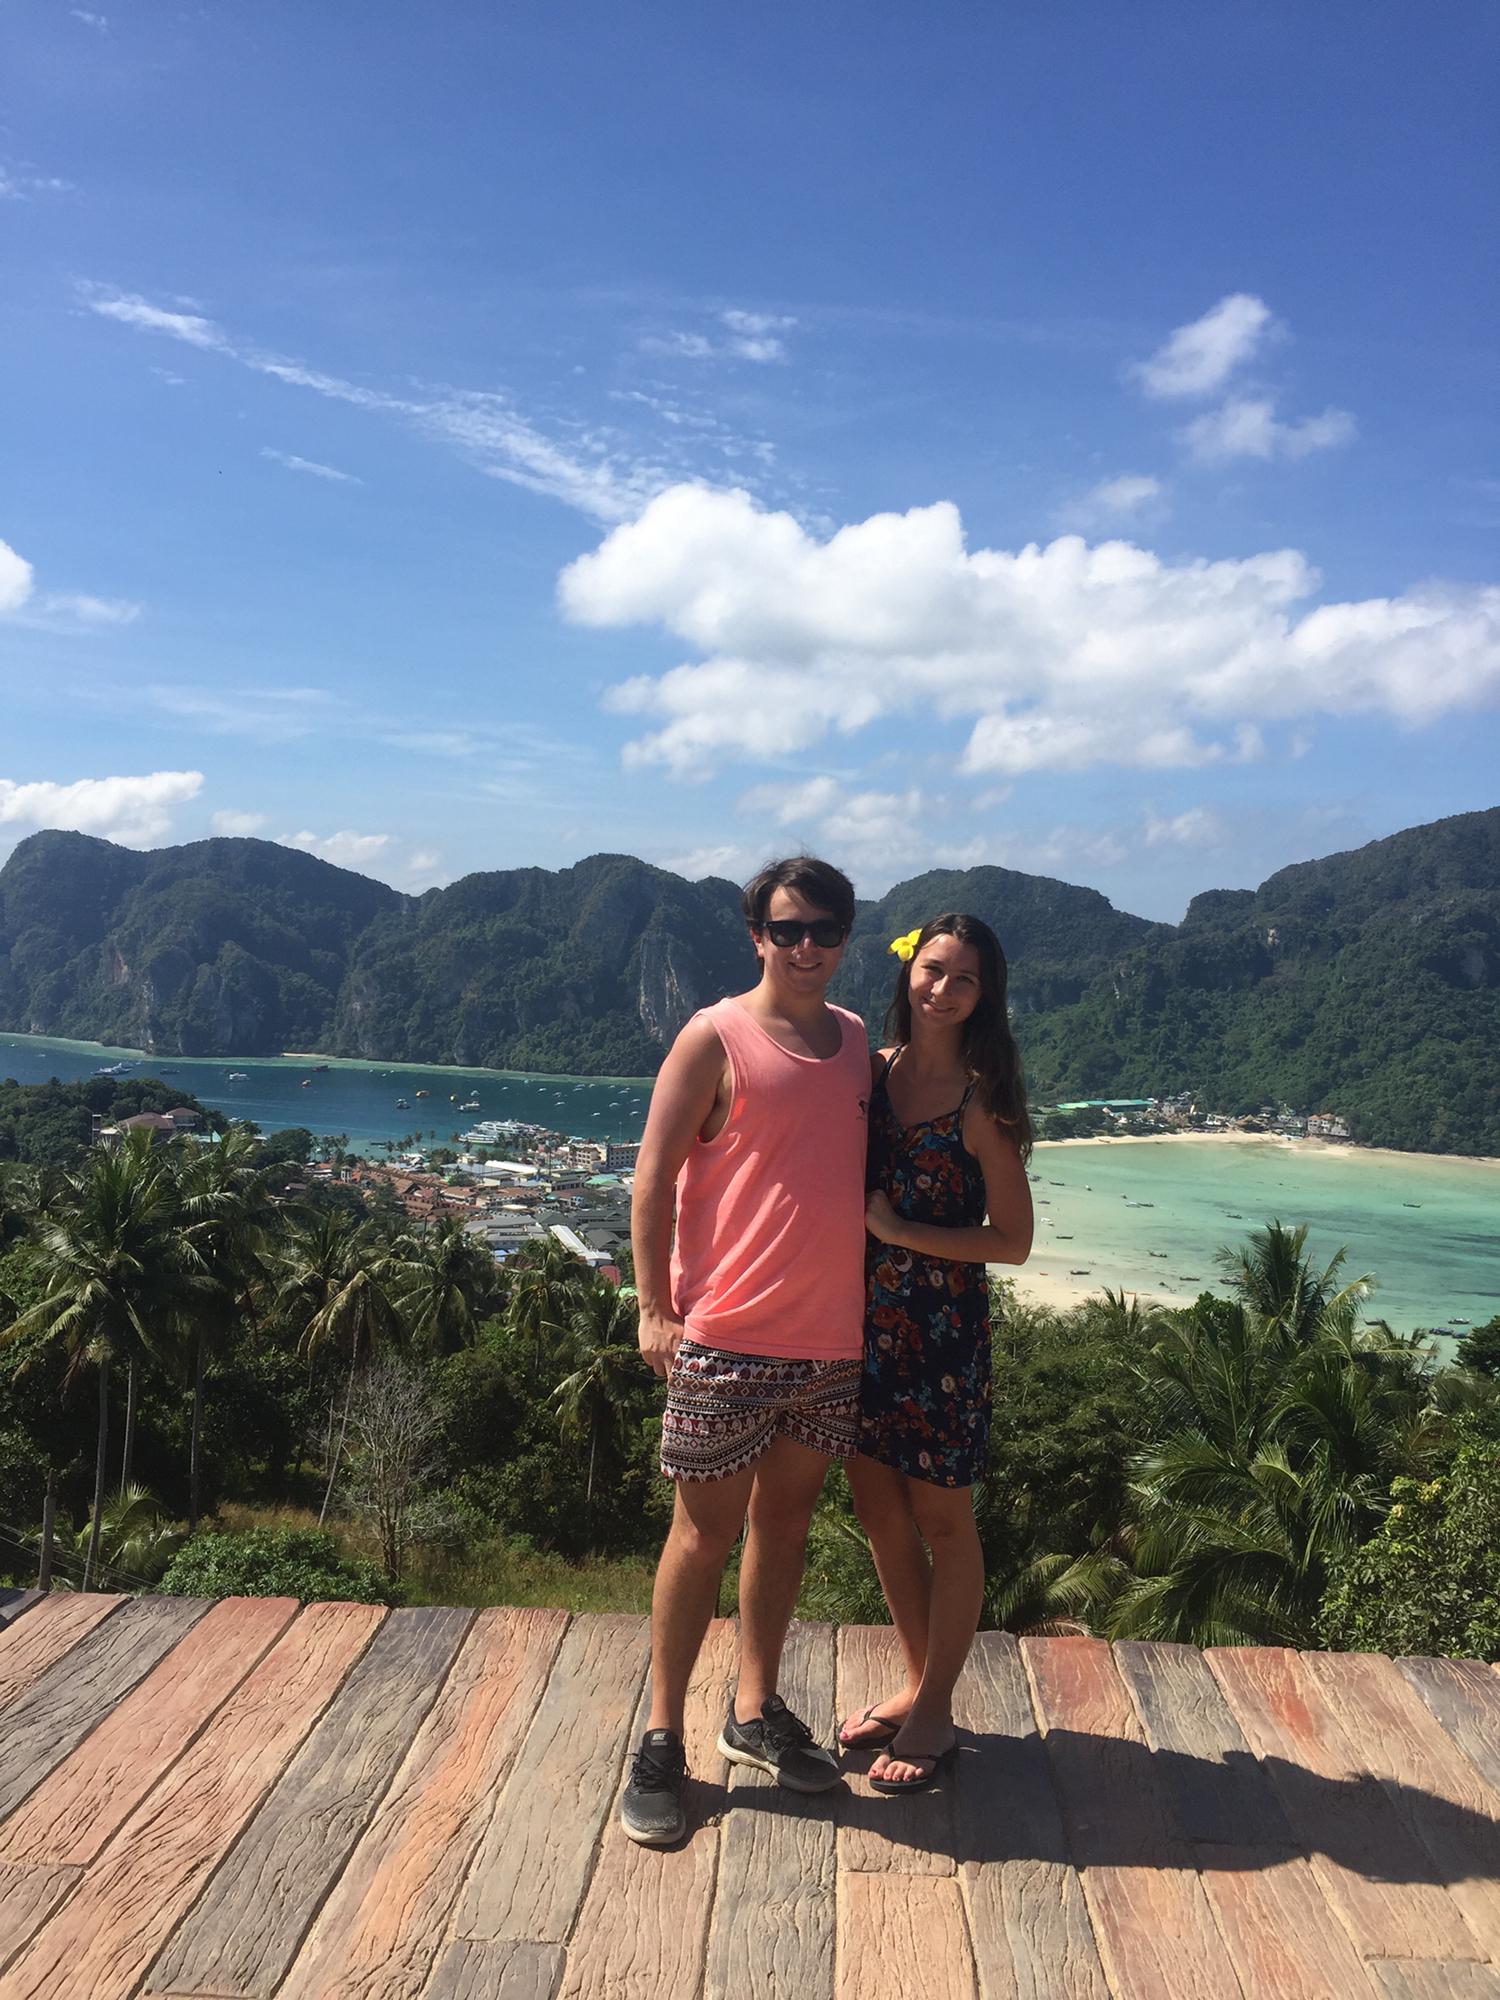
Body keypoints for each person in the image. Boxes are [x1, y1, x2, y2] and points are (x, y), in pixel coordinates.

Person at [620, 855, 871, 1845]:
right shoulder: (712, 1034)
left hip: (828, 1343)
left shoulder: (856, 1043)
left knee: (788, 1526)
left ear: (846, 936)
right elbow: (650, 1180)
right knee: (700, 1536)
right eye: (787, 927)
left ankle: (754, 1710)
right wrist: (653, 1308)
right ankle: (660, 1734)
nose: (806, 944)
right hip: (725, 1338)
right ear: (756, 934)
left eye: (824, 927)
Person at [838, 913, 1033, 1792]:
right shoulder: (870, 1077)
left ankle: (935, 1714)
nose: (943, 989)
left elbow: (1014, 1242)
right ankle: (924, 1692)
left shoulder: (980, 1102)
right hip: (856, 1329)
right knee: (880, 1517)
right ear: (909, 971)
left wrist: (900, 1230)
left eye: (964, 980)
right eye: (934, 970)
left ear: (983, 997)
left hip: (943, 1338)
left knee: (945, 1523)